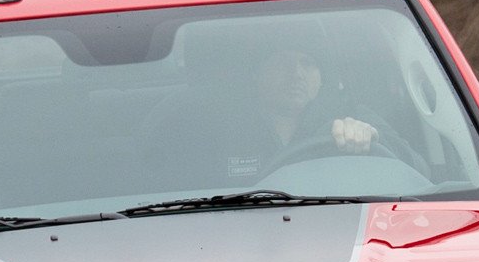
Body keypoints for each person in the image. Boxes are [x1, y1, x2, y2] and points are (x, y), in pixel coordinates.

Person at [146, 37, 400, 190]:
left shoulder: (352, 116)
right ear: (257, 74)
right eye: (282, 62)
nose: (297, 74)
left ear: (322, 78)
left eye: (308, 64)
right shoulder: (212, 127)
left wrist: (371, 140)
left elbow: (415, 171)